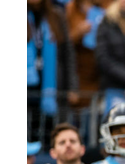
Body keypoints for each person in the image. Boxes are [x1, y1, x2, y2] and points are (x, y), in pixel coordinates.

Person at [28, 0, 78, 143]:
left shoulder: (56, 15)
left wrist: (72, 87)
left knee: (50, 132)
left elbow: (68, 54)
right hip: (28, 86)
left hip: (52, 87)